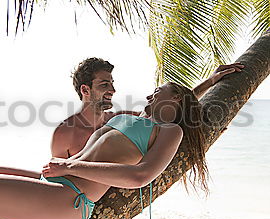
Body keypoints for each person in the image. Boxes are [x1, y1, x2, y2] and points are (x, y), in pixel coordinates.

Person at [0, 63, 244, 219]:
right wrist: (206, 83)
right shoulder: (126, 118)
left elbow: (140, 176)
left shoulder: (168, 131)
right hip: (54, 181)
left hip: (68, 201)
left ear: (173, 100)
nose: (149, 95)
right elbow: (180, 97)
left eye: (157, 92)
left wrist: (71, 167)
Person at [51, 58, 244, 160]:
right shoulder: (64, 133)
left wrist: (210, 81)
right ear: (85, 89)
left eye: (112, 83)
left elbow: (170, 105)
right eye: (104, 85)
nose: (113, 90)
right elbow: (58, 176)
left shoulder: (120, 120)